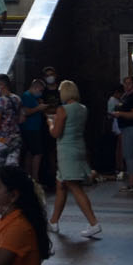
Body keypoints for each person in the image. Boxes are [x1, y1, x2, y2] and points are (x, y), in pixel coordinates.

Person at [47, 81, 102, 240]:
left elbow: (56, 133)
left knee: (74, 186)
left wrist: (50, 123)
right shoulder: (83, 109)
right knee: (61, 185)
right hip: (79, 148)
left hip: (66, 152)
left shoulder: (62, 110)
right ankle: (54, 221)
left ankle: (93, 223)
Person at [0, 72, 23, 172]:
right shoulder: (17, 98)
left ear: (2, 85)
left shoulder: (0, 101)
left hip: (2, 139)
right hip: (15, 138)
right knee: (12, 169)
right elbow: (21, 118)